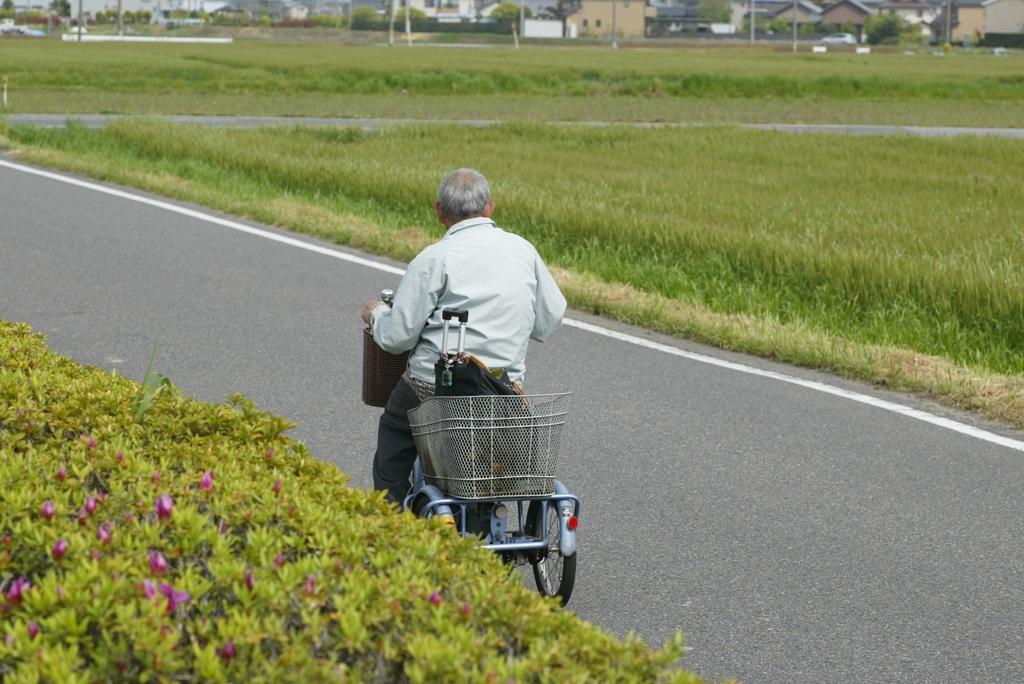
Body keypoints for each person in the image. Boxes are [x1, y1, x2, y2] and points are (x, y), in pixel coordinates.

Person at [362, 168, 566, 505]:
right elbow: (549, 321)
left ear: (439, 211)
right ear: (489, 208)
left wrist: (376, 313)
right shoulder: (523, 251)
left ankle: (391, 521)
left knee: (395, 430)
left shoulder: (434, 258)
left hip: (435, 387)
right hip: (502, 386)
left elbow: (397, 337)